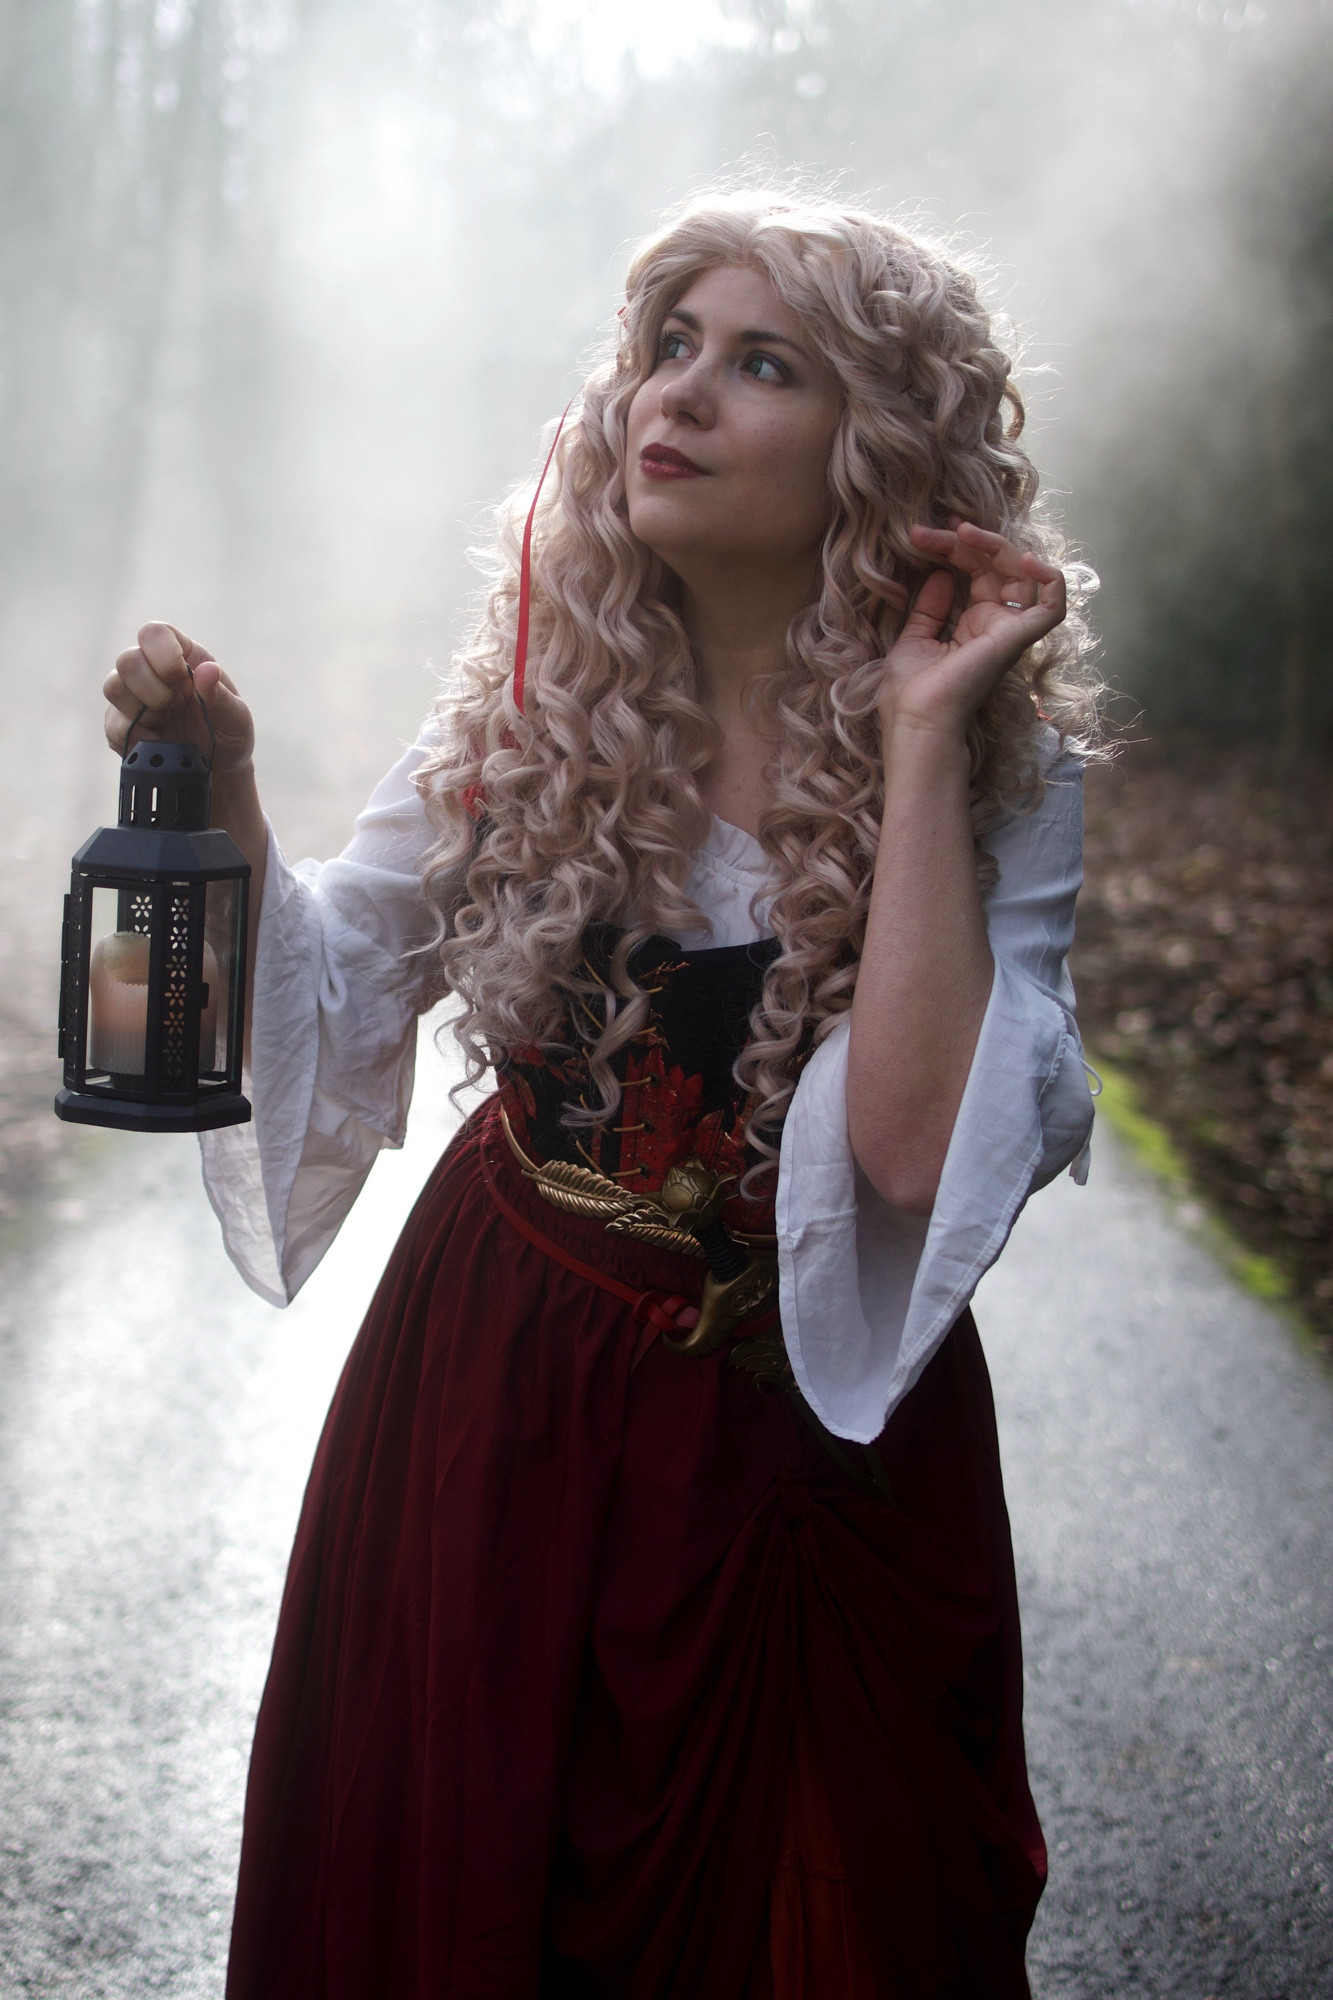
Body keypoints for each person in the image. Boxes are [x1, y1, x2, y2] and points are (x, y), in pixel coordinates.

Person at [103, 194, 1098, 2000]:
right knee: (460, 1885)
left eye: (761, 363)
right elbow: (329, 980)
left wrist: (923, 738)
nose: (681, 393)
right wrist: (228, 793)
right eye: (669, 347)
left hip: (813, 1447)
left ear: (879, 450)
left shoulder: (999, 770)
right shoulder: (526, 711)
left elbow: (899, 1160)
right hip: (501, 1389)